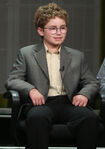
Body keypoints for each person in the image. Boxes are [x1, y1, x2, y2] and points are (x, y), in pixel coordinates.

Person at [5, 3, 100, 149]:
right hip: (41, 103)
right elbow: (13, 80)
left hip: (69, 103)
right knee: (37, 118)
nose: (59, 32)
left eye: (62, 28)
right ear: (41, 31)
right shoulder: (27, 53)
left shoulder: (76, 56)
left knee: (89, 118)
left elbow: (91, 82)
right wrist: (31, 90)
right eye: (53, 28)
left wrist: (84, 95)